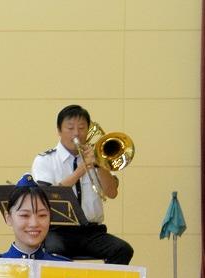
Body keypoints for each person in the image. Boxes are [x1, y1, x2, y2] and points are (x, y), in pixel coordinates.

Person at [30, 104, 132, 264]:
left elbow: (111, 193)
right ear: (59, 130)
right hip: (57, 231)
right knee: (53, 253)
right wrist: (81, 170)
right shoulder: (45, 160)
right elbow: (46, 196)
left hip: (91, 232)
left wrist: (101, 165)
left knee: (123, 249)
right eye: (70, 128)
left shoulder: (97, 157)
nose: (76, 133)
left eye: (82, 128)